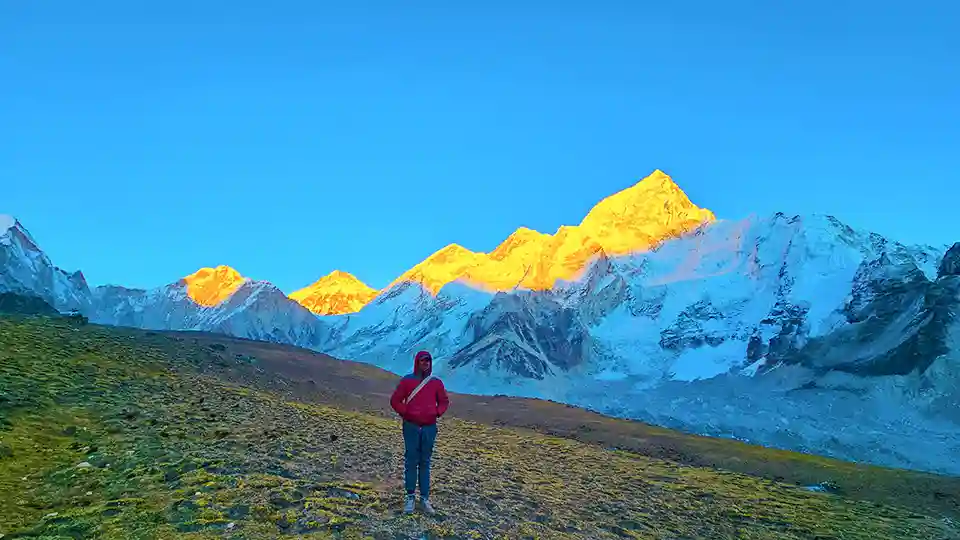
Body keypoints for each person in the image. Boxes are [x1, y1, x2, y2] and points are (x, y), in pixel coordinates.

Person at [389, 349, 450, 515]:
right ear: (417, 362)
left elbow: (444, 401)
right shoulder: (407, 381)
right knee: (411, 461)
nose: (426, 363)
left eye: (428, 360)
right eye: (423, 360)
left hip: (429, 427)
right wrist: (406, 413)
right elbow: (395, 400)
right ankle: (410, 497)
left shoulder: (436, 383)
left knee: (425, 462)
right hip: (411, 426)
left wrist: (436, 413)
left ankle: (424, 498)